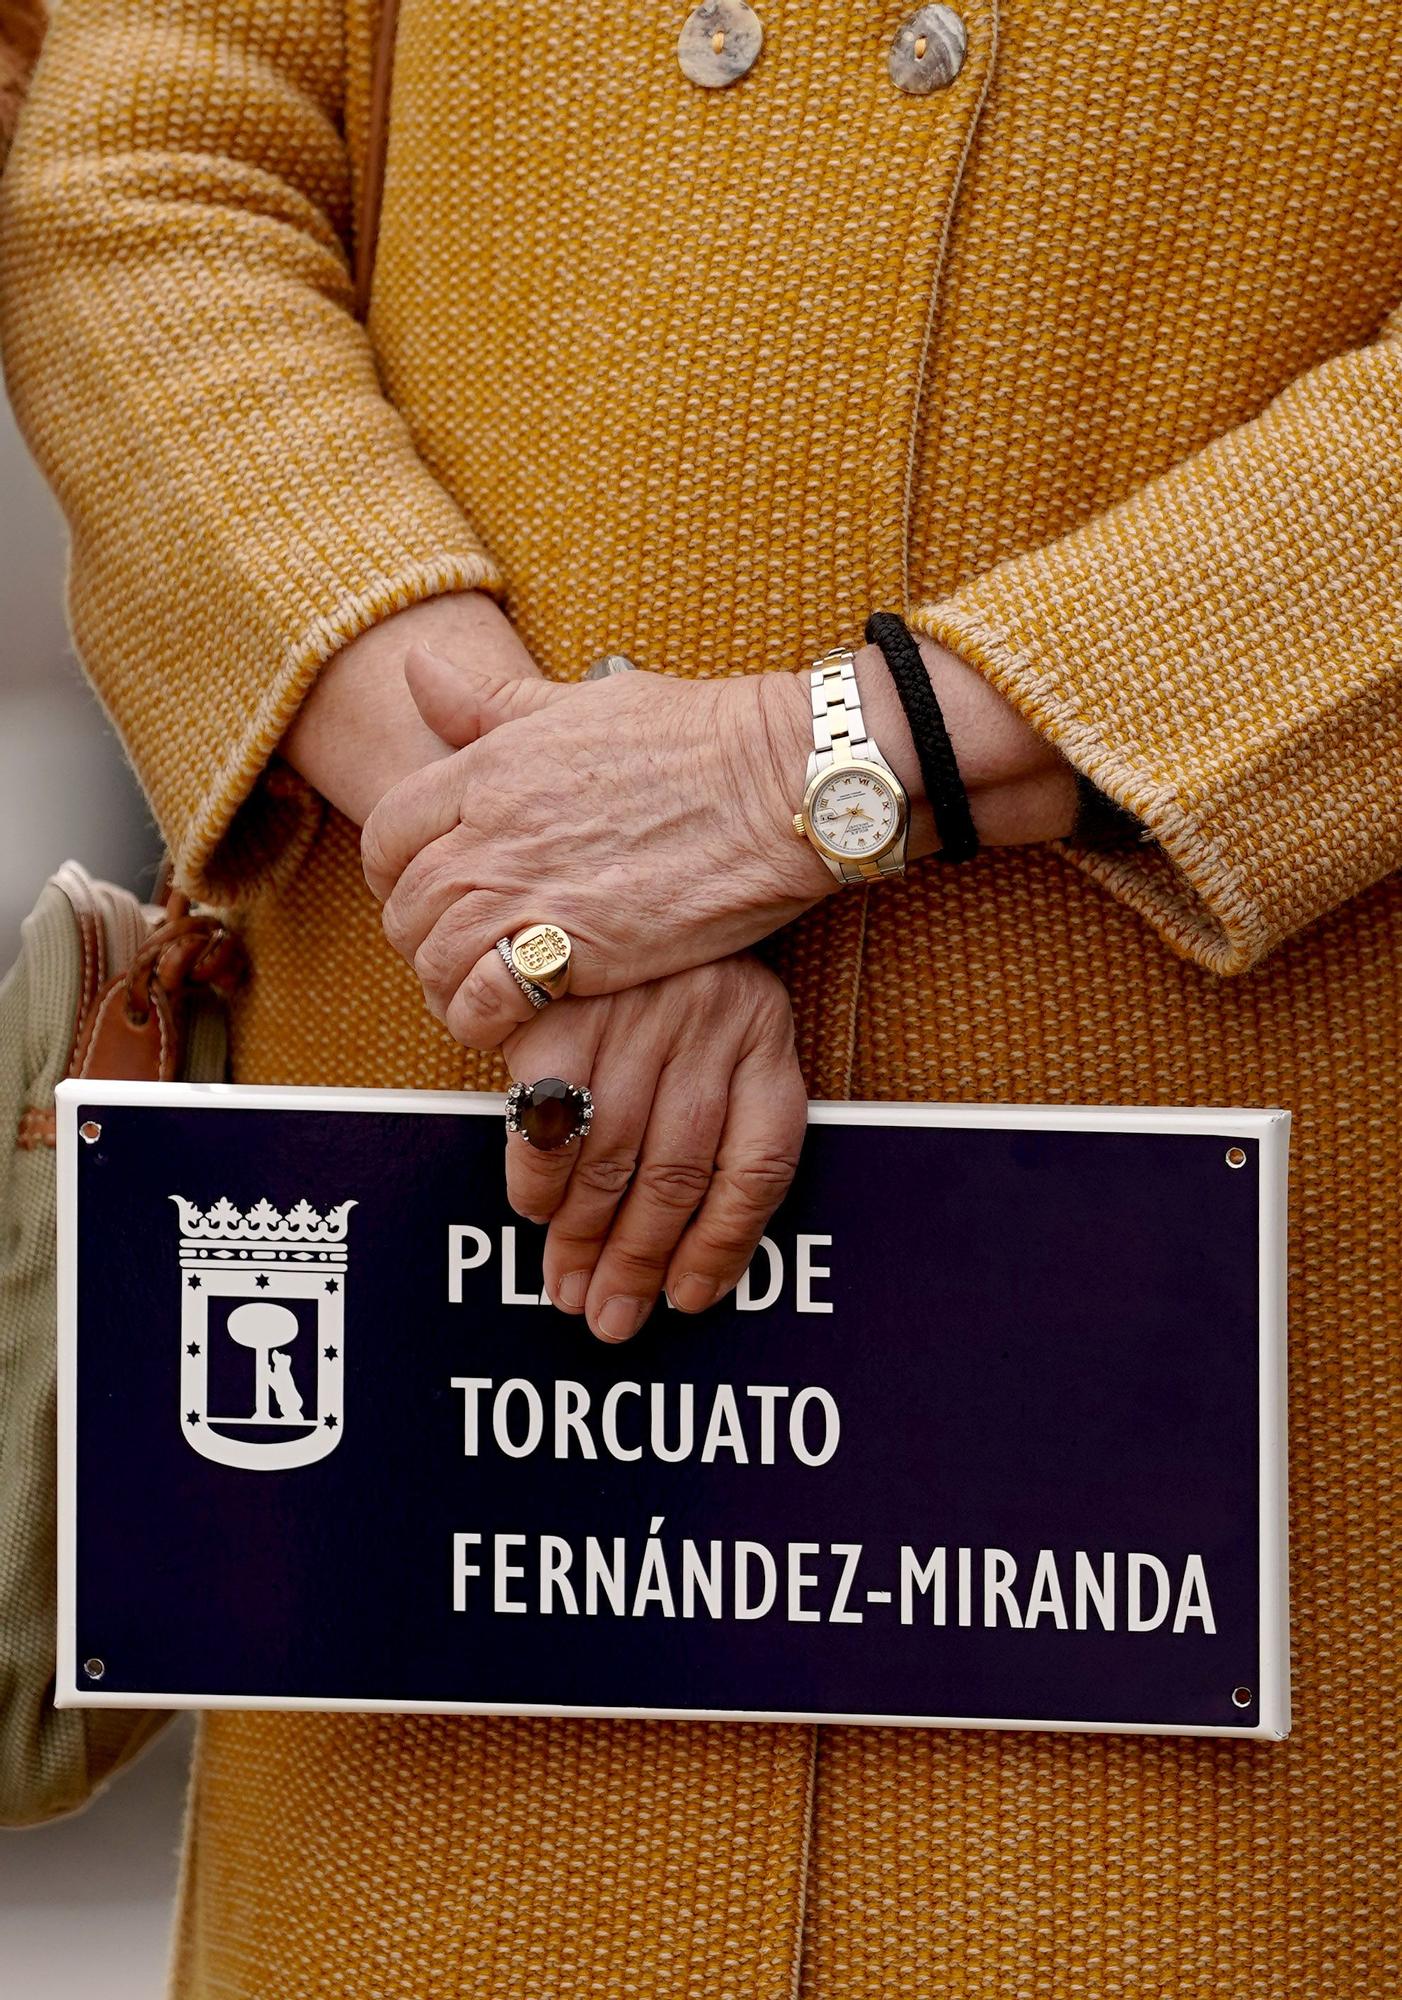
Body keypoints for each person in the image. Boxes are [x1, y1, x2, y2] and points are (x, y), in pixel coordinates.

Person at [0, 2, 1396, 1993]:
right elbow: (148, 163)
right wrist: (524, 862)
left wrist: (825, 764)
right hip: (450, 1371)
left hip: (1288, 1406)